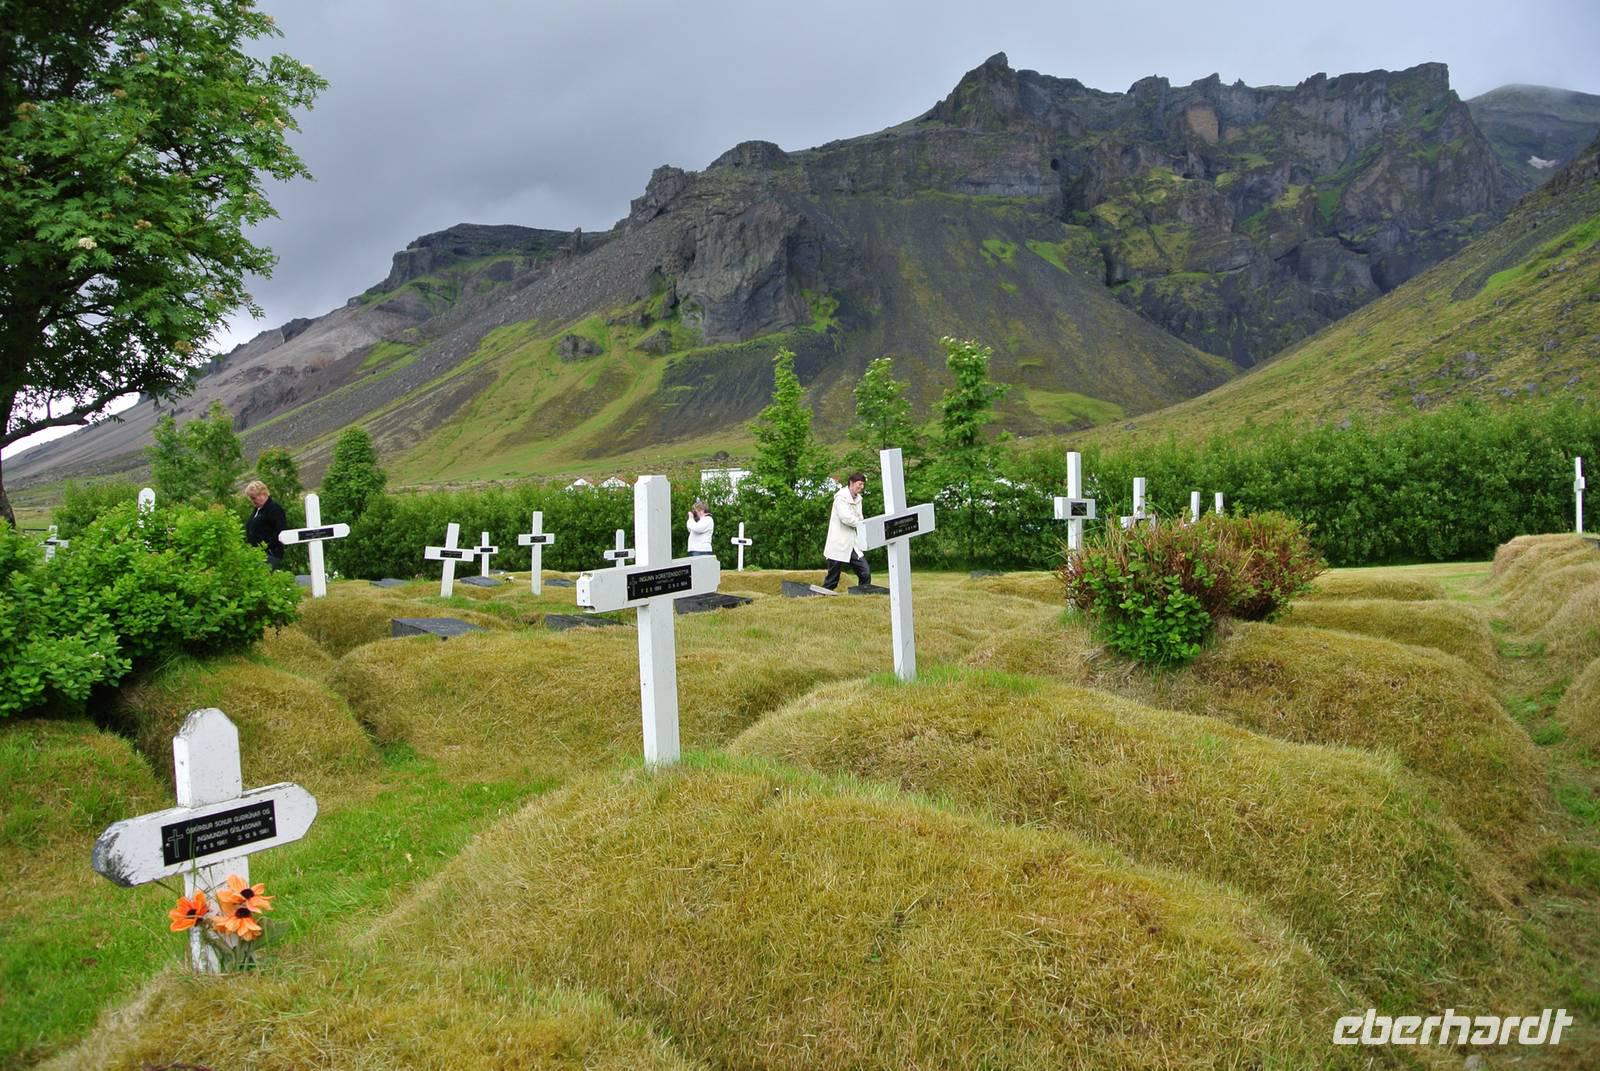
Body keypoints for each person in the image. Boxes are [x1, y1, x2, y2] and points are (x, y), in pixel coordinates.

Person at [818, 472, 871, 592]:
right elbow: (846, 518)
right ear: (851, 483)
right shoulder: (840, 498)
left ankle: (863, 593)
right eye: (860, 484)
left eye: (863, 485)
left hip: (852, 543)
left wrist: (863, 524)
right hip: (839, 541)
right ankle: (824, 594)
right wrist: (861, 523)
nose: (861, 487)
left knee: (865, 572)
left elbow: (860, 517)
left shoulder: (858, 499)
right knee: (833, 578)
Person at [244, 480, 288, 570]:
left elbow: (281, 531)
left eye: (253, 498)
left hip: (270, 554)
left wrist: (267, 546)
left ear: (262, 494)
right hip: (256, 554)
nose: (252, 501)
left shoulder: (274, 509)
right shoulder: (257, 510)